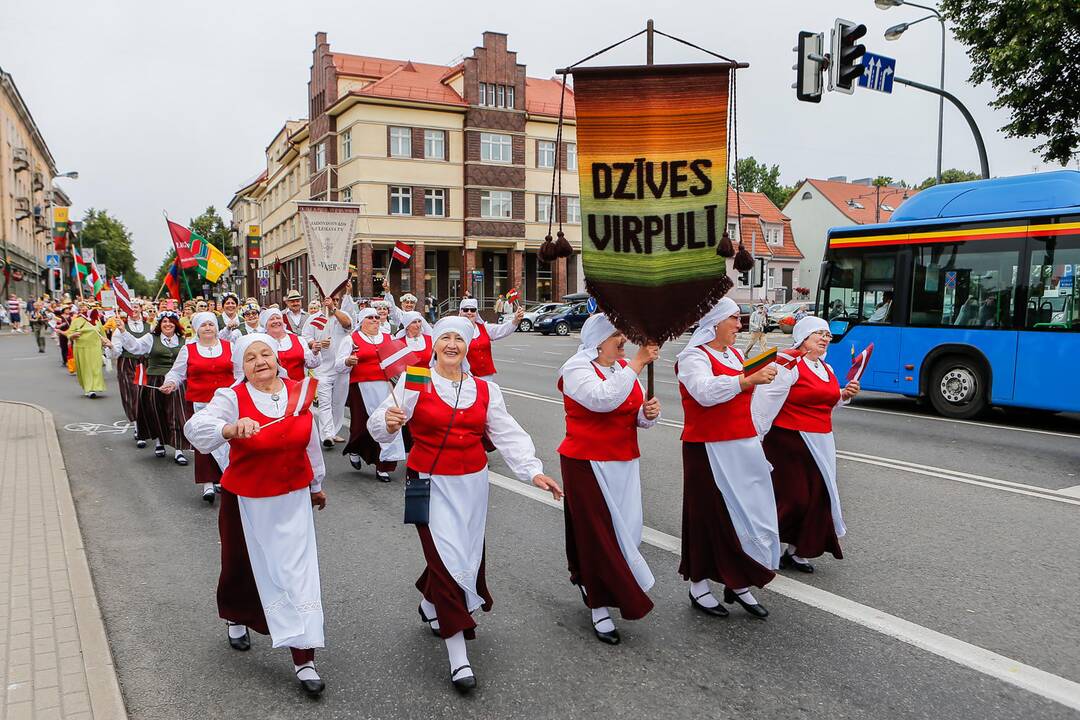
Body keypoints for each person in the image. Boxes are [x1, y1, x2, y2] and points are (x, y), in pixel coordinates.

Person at [368, 317, 561, 692]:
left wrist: (533, 471)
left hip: (472, 484)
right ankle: (458, 657)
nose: (452, 344)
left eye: (460, 338)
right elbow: (381, 422)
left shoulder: (483, 389)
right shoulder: (417, 378)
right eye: (445, 338)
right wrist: (390, 423)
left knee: (463, 555)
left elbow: (506, 431)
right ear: (435, 344)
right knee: (445, 558)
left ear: (468, 345)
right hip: (428, 482)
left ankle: (430, 605)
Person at [184, 333, 328, 696]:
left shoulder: (299, 391)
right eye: (251, 357)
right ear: (241, 367)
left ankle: (304, 656)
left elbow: (310, 441)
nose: (260, 361)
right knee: (241, 566)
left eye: (266, 353)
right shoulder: (232, 397)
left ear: (277, 357)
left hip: (293, 496)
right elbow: (195, 429)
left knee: (298, 574)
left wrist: (316, 485)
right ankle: (236, 614)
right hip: (245, 498)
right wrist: (228, 428)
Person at [557, 314, 661, 644]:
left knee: (626, 530)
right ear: (599, 338)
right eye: (618, 333)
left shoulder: (621, 368)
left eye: (624, 333)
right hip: (586, 461)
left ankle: (595, 581)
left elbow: (632, 415)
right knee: (598, 534)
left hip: (623, 460)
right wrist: (638, 364)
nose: (624, 340)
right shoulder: (576, 368)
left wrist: (647, 415)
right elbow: (602, 400)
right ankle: (599, 605)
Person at [675, 297, 780, 619]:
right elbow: (704, 392)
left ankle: (738, 581)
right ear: (715, 322)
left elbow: (748, 397)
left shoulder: (735, 354)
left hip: (741, 445)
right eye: (734, 318)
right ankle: (699, 586)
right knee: (710, 516)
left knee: (745, 514)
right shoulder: (692, 356)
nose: (739, 324)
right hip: (707, 447)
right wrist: (745, 380)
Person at [752, 317, 860, 574]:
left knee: (818, 498)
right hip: (788, 441)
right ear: (803, 338)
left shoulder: (827, 369)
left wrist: (843, 395)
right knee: (794, 498)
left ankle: (796, 550)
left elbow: (825, 402)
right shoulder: (788, 365)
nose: (825, 338)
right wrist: (755, 440)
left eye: (826, 334)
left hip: (821, 442)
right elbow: (764, 405)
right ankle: (768, 549)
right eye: (819, 334)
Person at [162, 312, 240, 503]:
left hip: (226, 404)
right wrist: (171, 383)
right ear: (197, 328)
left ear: (216, 327)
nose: (208, 328)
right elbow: (177, 373)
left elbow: (239, 372)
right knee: (204, 441)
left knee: (228, 440)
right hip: (200, 402)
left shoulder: (230, 347)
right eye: (203, 325)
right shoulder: (188, 349)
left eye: (211, 324)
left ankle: (227, 478)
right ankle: (208, 484)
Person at [334, 308, 405, 481]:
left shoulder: (389, 337)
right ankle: (355, 449)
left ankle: (383, 466)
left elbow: (399, 360)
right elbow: (338, 365)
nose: (375, 320)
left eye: (376, 317)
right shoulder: (351, 339)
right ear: (361, 321)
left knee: (387, 423)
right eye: (370, 317)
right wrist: (348, 361)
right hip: (360, 387)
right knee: (361, 425)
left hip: (386, 387)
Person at [115, 311, 190, 465]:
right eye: (164, 322)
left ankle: (178, 450)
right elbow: (135, 347)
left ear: (176, 325)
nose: (167, 324)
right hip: (155, 381)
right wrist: (123, 331)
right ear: (159, 324)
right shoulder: (151, 338)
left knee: (177, 414)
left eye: (171, 322)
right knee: (156, 411)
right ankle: (159, 442)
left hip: (176, 382)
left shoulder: (184, 341)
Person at [302, 293, 354, 448]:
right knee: (324, 402)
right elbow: (306, 337)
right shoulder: (314, 319)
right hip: (322, 369)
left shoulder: (343, 316)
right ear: (322, 301)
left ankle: (335, 430)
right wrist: (315, 344)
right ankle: (327, 435)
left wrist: (334, 309)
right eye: (329, 300)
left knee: (338, 402)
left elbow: (348, 325)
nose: (332, 302)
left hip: (341, 368)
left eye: (336, 300)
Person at [111, 303, 151, 448]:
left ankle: (145, 425)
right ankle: (138, 426)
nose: (133, 310)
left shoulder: (149, 327)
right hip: (127, 363)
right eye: (130, 308)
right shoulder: (120, 328)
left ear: (141, 309)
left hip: (145, 363)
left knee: (145, 394)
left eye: (136, 307)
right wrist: (110, 347)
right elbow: (116, 352)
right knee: (132, 394)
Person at [457, 298, 522, 379]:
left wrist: (515, 320)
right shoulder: (455, 331)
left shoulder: (484, 328)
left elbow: (502, 330)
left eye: (473, 310)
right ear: (460, 312)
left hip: (486, 376)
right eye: (466, 310)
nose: (469, 312)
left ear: (476, 313)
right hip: (466, 377)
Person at [65, 302, 110, 398]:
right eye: (81, 308)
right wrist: (73, 336)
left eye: (85, 307)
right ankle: (89, 388)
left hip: (95, 347)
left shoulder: (96, 319)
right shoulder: (76, 320)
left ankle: (96, 386)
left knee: (96, 367)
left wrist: (106, 343)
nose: (83, 309)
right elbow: (69, 334)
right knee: (86, 368)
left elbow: (102, 333)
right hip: (81, 348)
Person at [264, 308, 321, 381]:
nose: (276, 321)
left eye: (278, 318)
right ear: (265, 323)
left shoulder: (299, 340)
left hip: (297, 387)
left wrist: (315, 352)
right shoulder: (262, 343)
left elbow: (311, 364)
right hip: (272, 389)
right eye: (271, 319)